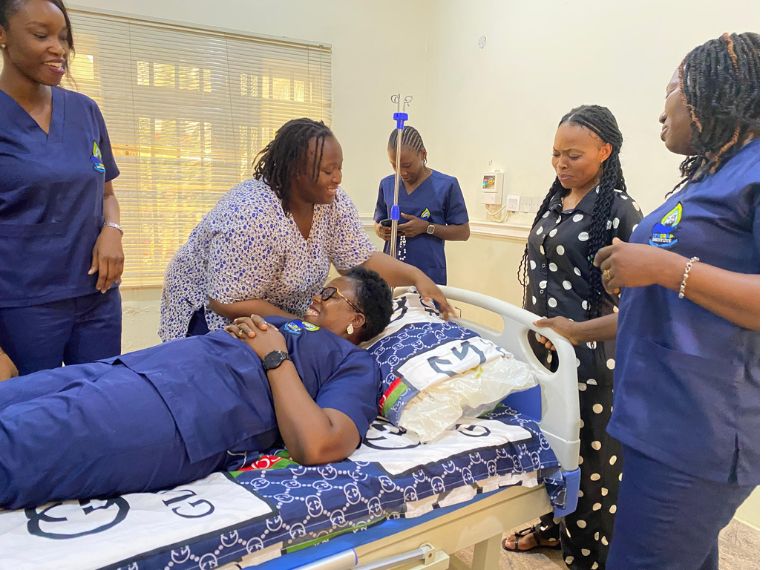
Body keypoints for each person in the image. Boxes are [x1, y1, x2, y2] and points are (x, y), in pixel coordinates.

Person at [0, 267, 393, 509]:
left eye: (331, 294)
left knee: (20, 442)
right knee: (15, 396)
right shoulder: (287, 323)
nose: (317, 296)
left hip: (179, 411)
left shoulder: (355, 364)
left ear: (356, 320)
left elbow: (319, 444)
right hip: (139, 367)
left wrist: (274, 357)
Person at [591, 33, 759, 569]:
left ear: (712, 92)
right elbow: (683, 291)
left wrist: (664, 269)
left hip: (697, 428)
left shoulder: (756, 171)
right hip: (657, 415)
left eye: (671, 90)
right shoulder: (710, 174)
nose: (662, 111)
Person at [503, 105, 643, 569]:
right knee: (549, 449)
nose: (561, 164)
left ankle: (587, 556)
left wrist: (577, 332)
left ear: (605, 151)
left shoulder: (620, 210)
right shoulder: (556, 201)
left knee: (589, 468)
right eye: (556, 154)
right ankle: (551, 529)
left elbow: (639, 306)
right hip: (544, 355)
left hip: (592, 361)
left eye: (574, 155)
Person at [160, 118, 451, 341]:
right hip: (210, 312)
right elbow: (227, 301)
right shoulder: (251, 214)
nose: (337, 178)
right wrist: (302, 327)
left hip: (275, 316)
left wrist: (417, 276)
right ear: (295, 171)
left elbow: (360, 258)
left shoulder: (332, 203)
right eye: (328, 171)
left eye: (340, 168)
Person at [0, 0, 124, 376]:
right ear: (3, 36)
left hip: (97, 296)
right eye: (41, 36)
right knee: (32, 407)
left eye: (64, 37)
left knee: (104, 396)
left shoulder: (85, 111)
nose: (59, 48)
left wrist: (112, 229)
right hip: (23, 305)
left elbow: (106, 193)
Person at [373, 126, 470, 285]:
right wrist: (380, 230)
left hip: (429, 274)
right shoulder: (388, 185)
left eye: (407, 165)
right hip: (392, 273)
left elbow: (463, 232)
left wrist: (427, 228)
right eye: (395, 165)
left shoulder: (446, 185)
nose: (402, 172)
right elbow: (377, 222)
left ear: (423, 154)